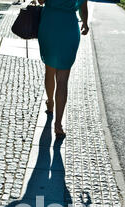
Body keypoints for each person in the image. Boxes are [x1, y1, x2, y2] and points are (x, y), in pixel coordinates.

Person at [37, 0, 89, 137]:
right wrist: (85, 23)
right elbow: (83, 7)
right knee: (63, 80)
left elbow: (40, 1)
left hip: (50, 25)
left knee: (50, 70)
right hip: (69, 27)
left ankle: (50, 102)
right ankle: (58, 124)